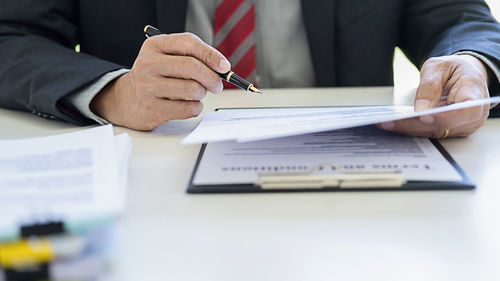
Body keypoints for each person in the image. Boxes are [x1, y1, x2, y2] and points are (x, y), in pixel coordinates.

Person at [0, 0, 499, 139]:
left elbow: (462, 20)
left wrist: (472, 65)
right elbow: (10, 37)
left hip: (344, 185)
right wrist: (113, 92)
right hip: (152, 172)